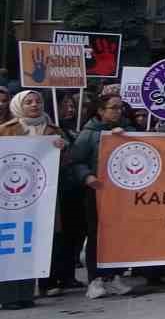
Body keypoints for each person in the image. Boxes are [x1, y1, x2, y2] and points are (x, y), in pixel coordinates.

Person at [68, 95, 141, 300]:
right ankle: (95, 279)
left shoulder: (130, 131)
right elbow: (76, 161)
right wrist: (87, 176)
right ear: (101, 110)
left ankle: (114, 275)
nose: (118, 112)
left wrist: (125, 137)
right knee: (97, 234)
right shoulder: (89, 134)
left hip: (123, 191)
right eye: (113, 108)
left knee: (120, 233)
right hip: (98, 191)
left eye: (120, 108)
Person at [1, 92, 67, 303]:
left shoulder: (54, 131)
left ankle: (27, 293)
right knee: (12, 245)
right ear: (18, 105)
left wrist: (63, 150)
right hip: (12, 201)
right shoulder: (6, 130)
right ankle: (9, 295)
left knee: (35, 244)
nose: (34, 105)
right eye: (28, 102)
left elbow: (66, 164)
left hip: (42, 198)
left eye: (38, 101)